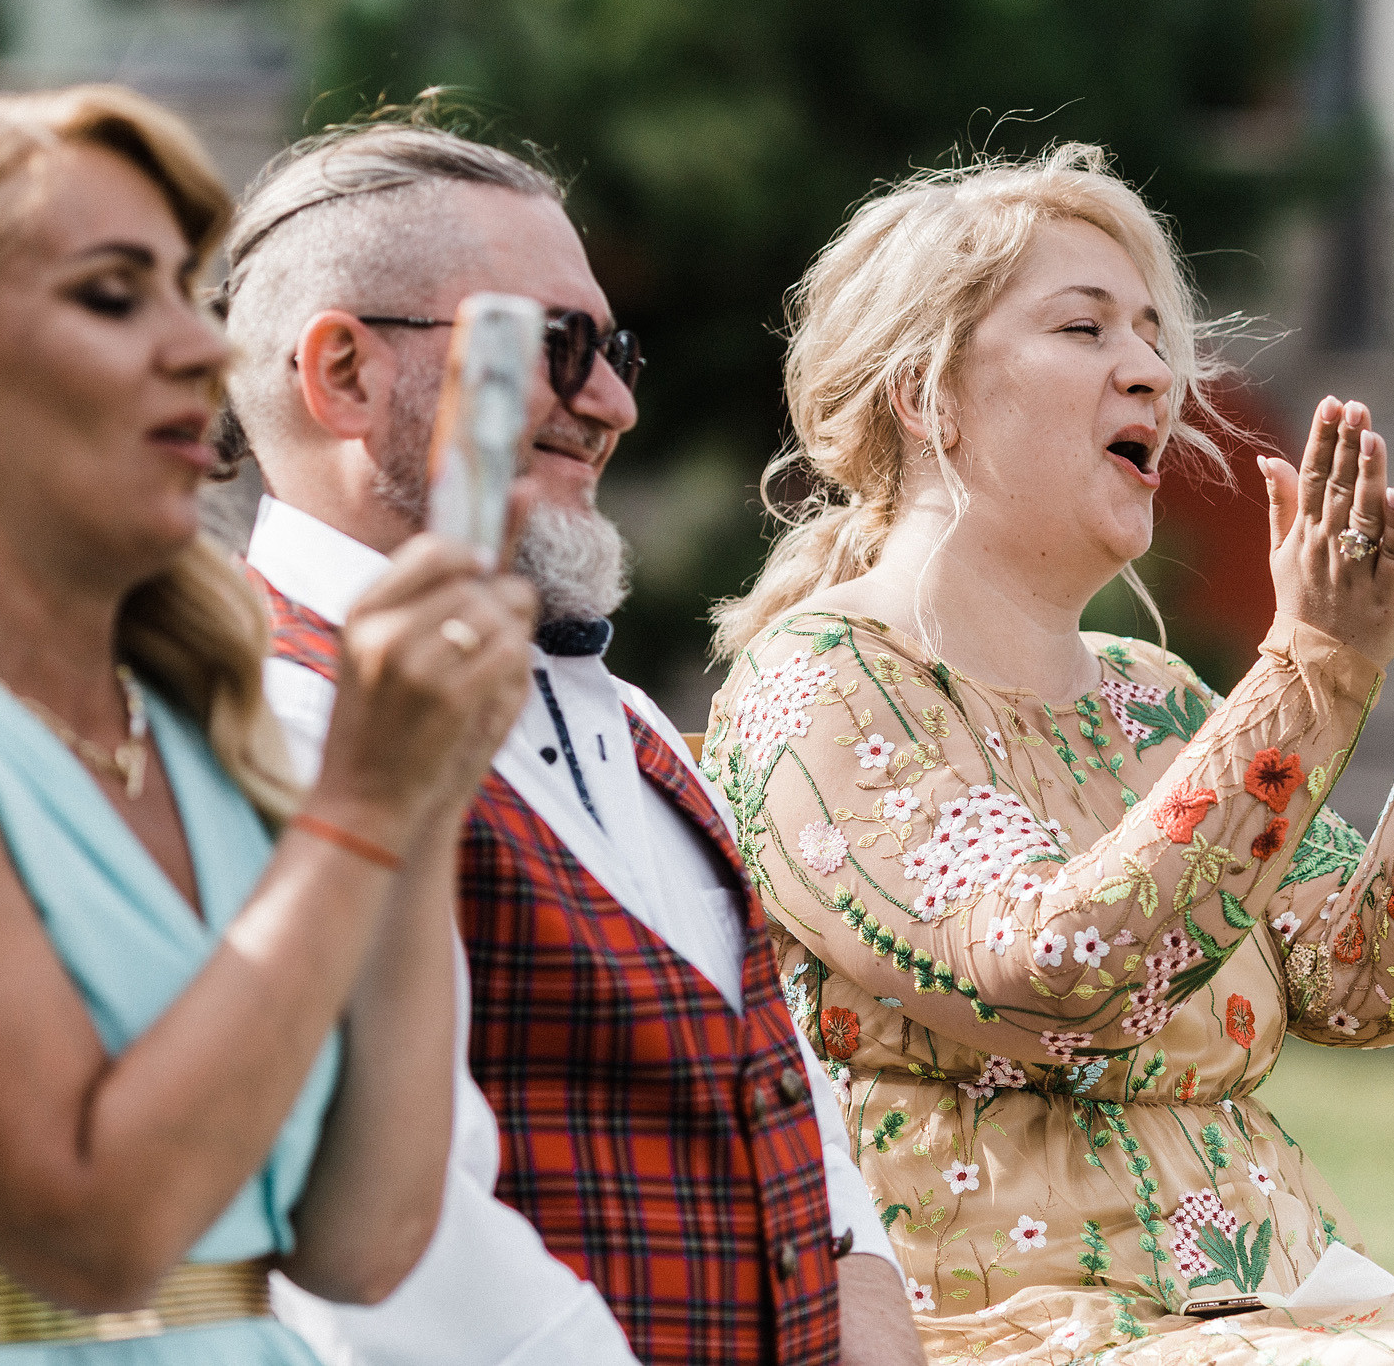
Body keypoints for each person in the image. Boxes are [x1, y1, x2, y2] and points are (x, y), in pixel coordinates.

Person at [705, 144, 1394, 1364]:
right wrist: (1315, 671)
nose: (1152, 372)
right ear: (927, 394)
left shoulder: (1157, 699)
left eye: (1154, 335)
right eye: (1084, 329)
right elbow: (1050, 972)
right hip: (999, 1332)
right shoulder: (824, 682)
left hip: (1271, 1312)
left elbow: (1376, 978)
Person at [214, 112, 923, 1366]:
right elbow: (385, 1248)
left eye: (619, 350)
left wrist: (866, 1311)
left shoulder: (635, 726)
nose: (610, 404)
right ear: (341, 374)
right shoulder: (261, 717)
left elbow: (786, 1105)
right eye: (557, 346)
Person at [0, 87, 538, 1361]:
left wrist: (427, 791)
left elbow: (363, 1243)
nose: (201, 349)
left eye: (184, 291)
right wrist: (364, 805)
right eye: (113, 295)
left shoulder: (199, 718)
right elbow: (96, 1237)